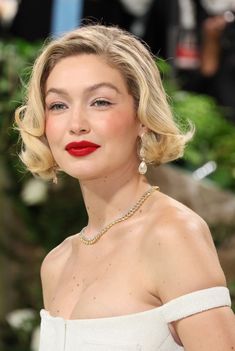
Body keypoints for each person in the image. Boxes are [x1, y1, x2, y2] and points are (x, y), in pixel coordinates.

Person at [15, 24, 235, 351]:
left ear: (142, 115)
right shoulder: (57, 263)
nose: (76, 124)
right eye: (58, 105)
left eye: (100, 102)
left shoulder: (172, 234)